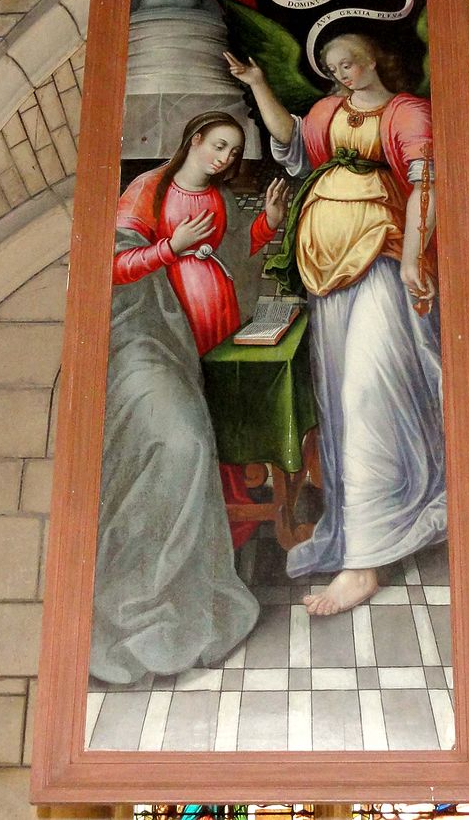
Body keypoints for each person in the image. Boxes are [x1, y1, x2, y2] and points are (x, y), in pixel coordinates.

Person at [224, 35, 446, 616]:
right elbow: (292, 142)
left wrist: (414, 259)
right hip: (326, 274)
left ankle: (365, 563)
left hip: (382, 262)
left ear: (373, 58)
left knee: (368, 396)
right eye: (332, 67)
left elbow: (426, 185)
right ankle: (360, 538)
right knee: (341, 405)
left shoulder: (406, 112)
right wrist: (258, 86)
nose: (342, 73)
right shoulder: (329, 111)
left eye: (348, 62)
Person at [90, 111, 289, 684]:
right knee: (185, 444)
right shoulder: (147, 191)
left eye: (234, 151)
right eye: (219, 145)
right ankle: (159, 592)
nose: (225, 158)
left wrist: (268, 224)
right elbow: (112, 266)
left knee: (222, 438)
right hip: (158, 336)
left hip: (212, 330)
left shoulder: (218, 198)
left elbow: (236, 249)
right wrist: (169, 248)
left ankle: (231, 542)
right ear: (194, 139)